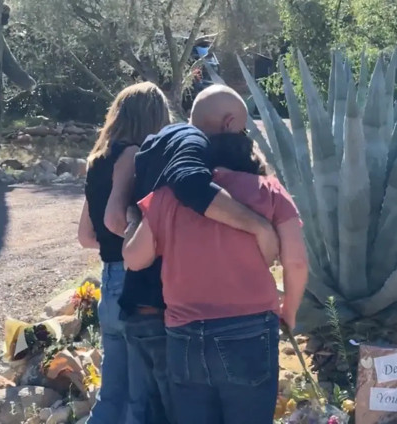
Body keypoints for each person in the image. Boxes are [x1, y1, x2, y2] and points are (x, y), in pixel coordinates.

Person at [122, 87, 308, 423]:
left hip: (184, 335)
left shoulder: (168, 196)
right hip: (249, 330)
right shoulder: (270, 191)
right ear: (232, 126)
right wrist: (289, 311)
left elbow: (135, 259)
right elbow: (295, 261)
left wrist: (133, 218)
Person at [77, 82, 171, 424]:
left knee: (111, 396)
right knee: (138, 400)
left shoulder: (97, 160)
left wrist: (115, 247)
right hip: (133, 284)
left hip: (108, 280)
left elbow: (86, 235)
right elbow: (115, 219)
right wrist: (147, 244)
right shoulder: (132, 155)